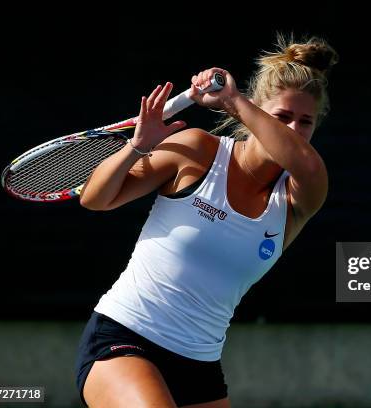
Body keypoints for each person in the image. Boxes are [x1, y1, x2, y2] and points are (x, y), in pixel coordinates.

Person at [74, 34, 338, 408]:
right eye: (282, 117)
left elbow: (305, 162)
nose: (293, 129)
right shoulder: (197, 150)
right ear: (258, 111)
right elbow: (95, 199)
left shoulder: (301, 194)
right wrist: (137, 147)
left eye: (305, 122)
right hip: (124, 338)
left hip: (199, 366)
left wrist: (232, 101)